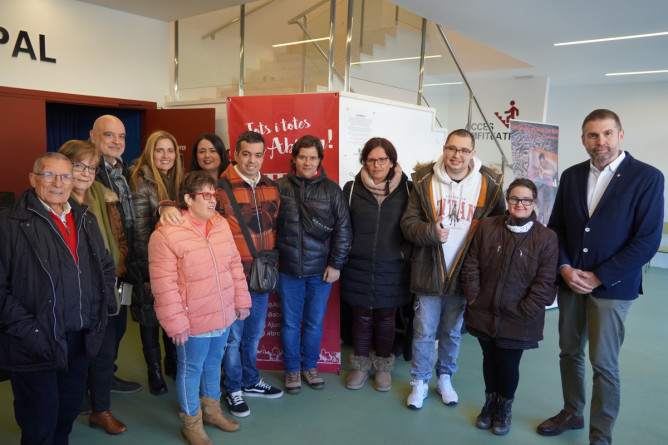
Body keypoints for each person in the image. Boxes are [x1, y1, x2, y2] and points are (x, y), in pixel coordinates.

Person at [536, 109, 664, 445]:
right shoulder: (573, 175)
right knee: (569, 352)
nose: (600, 142)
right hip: (571, 282)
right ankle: (572, 411)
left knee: (604, 364)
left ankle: (600, 433)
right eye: (592, 135)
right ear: (583, 140)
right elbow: (557, 229)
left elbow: (647, 242)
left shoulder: (647, 178)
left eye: (607, 134)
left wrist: (598, 277)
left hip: (612, 287)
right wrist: (564, 267)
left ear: (621, 135)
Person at [160, 130, 284, 418]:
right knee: (232, 340)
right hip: (228, 279)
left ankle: (251, 380)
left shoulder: (271, 186)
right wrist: (163, 204)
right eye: (246, 154)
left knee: (253, 336)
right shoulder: (218, 185)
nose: (252, 160)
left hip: (261, 276)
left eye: (258, 154)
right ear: (235, 154)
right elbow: (186, 209)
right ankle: (234, 388)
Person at [0, 152, 117, 445]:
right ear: (33, 179)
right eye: (48, 175)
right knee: (40, 419)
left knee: (66, 412)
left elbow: (104, 265)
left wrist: (98, 312)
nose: (58, 183)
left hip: (78, 338)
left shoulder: (84, 218)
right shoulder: (10, 224)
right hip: (33, 341)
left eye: (65, 175)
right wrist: (31, 330)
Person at [400, 128, 505, 410]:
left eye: (463, 150)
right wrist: (430, 231)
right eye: (451, 148)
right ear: (444, 149)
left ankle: (445, 377)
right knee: (423, 331)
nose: (456, 155)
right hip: (428, 270)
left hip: (465, 271)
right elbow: (408, 225)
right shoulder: (423, 181)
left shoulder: (489, 184)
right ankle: (420, 382)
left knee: (452, 331)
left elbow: (498, 229)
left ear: (473, 154)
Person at [149, 171, 250, 444]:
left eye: (214, 195)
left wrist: (241, 300)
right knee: (190, 369)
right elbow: (163, 284)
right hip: (191, 320)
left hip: (223, 313)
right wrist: (175, 323)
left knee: (213, 364)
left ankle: (212, 411)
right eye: (205, 195)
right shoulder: (167, 234)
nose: (212, 201)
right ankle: (191, 422)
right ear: (187, 199)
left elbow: (234, 266)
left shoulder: (221, 225)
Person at [461, 178, 558, 435]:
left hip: (519, 318)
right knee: (489, 358)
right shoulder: (488, 226)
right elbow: (471, 264)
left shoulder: (546, 238)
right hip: (483, 310)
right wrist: (473, 297)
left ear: (534, 202)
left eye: (526, 199)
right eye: (515, 198)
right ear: (507, 199)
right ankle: (489, 403)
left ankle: (504, 407)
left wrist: (526, 311)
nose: (520, 204)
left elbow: (546, 281)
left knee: (507, 363)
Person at [59, 140, 128, 434]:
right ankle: (65, 413)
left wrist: (118, 269)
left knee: (104, 352)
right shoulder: (56, 202)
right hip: (72, 293)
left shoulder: (103, 195)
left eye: (92, 167)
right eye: (79, 166)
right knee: (73, 355)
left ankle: (101, 410)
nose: (87, 173)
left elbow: (118, 237)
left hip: (107, 286)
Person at [276, 134, 352, 394]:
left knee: (313, 323)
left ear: (319, 160)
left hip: (320, 271)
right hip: (287, 270)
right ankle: (292, 370)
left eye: (312, 157)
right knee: (288, 323)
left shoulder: (332, 190)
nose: (307, 162)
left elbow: (344, 230)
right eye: (302, 157)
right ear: (294, 159)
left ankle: (310, 366)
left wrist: (336, 264)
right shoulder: (279, 187)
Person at [341, 137, 412, 392]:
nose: (378, 164)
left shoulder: (408, 189)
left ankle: (383, 368)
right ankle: (360, 366)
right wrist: (348, 249)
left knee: (385, 318)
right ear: (365, 161)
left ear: (392, 161)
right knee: (360, 316)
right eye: (372, 159)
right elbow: (343, 225)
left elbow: (415, 225)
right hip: (358, 264)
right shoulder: (350, 189)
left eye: (383, 159)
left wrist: (405, 252)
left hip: (392, 266)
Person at [90, 114, 142, 394]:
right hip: (103, 265)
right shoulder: (88, 172)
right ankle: (88, 386)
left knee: (117, 325)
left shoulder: (121, 171)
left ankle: (106, 375)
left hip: (125, 262)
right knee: (100, 329)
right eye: (109, 135)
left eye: (121, 136)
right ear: (93, 136)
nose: (116, 141)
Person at [130, 130, 184, 395]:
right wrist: (148, 275)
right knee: (150, 321)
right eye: (159, 150)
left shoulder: (175, 180)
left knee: (170, 316)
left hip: (173, 265)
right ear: (150, 153)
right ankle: (154, 372)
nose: (166, 156)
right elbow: (140, 234)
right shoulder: (141, 182)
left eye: (170, 150)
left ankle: (171, 363)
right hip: (149, 266)